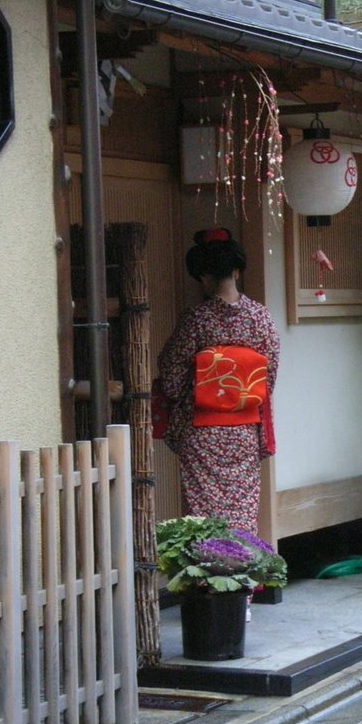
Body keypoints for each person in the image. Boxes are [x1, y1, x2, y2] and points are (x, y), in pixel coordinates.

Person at [157, 228, 281, 537]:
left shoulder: (196, 319)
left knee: (204, 513)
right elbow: (268, 380)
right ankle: (243, 578)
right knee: (242, 509)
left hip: (203, 431)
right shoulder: (261, 318)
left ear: (202, 276)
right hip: (243, 429)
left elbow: (171, 380)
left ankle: (208, 579)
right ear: (237, 271)